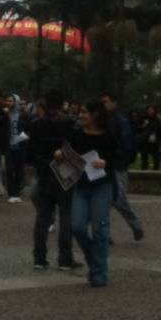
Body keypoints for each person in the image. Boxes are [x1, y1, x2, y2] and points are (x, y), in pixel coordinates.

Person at [56, 98, 121, 288]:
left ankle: (99, 272)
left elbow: (121, 157)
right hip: (81, 186)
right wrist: (60, 155)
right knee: (77, 227)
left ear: (96, 115)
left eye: (85, 112)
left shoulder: (109, 135)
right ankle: (94, 260)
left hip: (102, 186)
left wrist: (106, 163)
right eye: (81, 112)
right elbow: (68, 157)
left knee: (100, 229)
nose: (81, 115)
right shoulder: (76, 135)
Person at [28, 89, 78, 271]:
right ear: (61, 104)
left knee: (42, 216)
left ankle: (39, 258)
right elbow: (75, 147)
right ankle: (65, 258)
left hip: (44, 172)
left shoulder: (36, 125)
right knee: (66, 216)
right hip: (64, 171)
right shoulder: (69, 123)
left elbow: (31, 151)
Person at [101, 92, 144, 242]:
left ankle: (135, 225)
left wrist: (123, 161)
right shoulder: (104, 121)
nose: (104, 104)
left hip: (118, 166)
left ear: (114, 103)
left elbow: (127, 143)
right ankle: (105, 233)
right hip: (105, 166)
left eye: (106, 101)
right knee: (104, 201)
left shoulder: (120, 121)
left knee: (119, 199)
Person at [4, 93, 29, 203]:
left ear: (15, 102)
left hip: (20, 145)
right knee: (9, 170)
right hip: (9, 146)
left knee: (19, 170)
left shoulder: (22, 115)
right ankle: (11, 193)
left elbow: (28, 128)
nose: (8, 103)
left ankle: (17, 193)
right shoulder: (5, 115)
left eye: (11, 101)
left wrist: (25, 136)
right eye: (7, 101)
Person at [139, 105, 161, 170]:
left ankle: (156, 172)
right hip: (145, 142)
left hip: (155, 142)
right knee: (144, 159)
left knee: (156, 159)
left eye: (152, 109)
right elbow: (140, 129)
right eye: (149, 109)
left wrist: (159, 140)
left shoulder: (157, 120)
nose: (150, 111)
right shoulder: (143, 119)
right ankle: (143, 173)